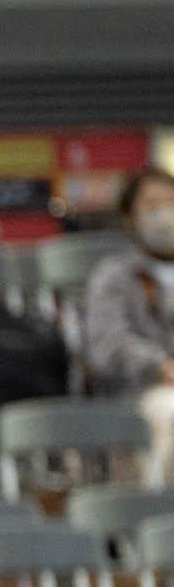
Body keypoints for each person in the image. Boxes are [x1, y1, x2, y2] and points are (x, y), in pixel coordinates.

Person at [84, 167, 174, 485]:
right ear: (130, 217)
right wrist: (160, 367)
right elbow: (108, 344)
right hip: (139, 392)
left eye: (170, 202)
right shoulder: (114, 276)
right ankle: (160, 509)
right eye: (152, 205)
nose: (164, 214)